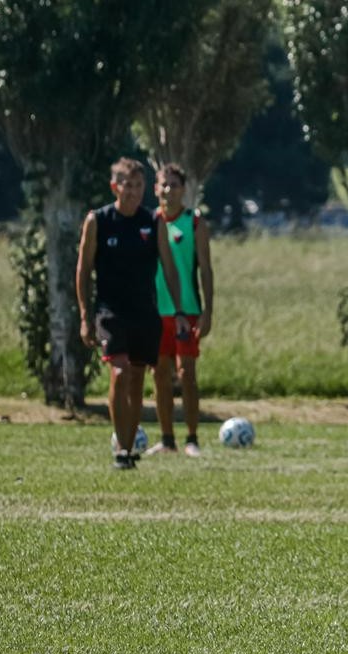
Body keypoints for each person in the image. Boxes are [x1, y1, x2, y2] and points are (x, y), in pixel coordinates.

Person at [76, 157, 187, 470]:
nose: (134, 192)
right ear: (115, 186)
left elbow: (169, 268)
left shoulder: (153, 222)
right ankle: (122, 446)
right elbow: (83, 270)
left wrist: (178, 310)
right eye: (128, 185)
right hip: (110, 311)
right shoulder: (98, 220)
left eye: (139, 186)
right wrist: (85, 316)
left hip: (144, 313)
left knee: (137, 378)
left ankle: (126, 450)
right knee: (120, 372)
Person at [144, 163, 214, 457]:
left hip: (186, 310)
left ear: (184, 189)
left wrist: (208, 310)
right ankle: (167, 439)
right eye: (163, 184)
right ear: (155, 189)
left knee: (186, 374)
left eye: (174, 184)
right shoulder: (149, 222)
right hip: (156, 310)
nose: (168, 190)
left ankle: (193, 438)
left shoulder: (194, 222)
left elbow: (206, 270)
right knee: (160, 374)